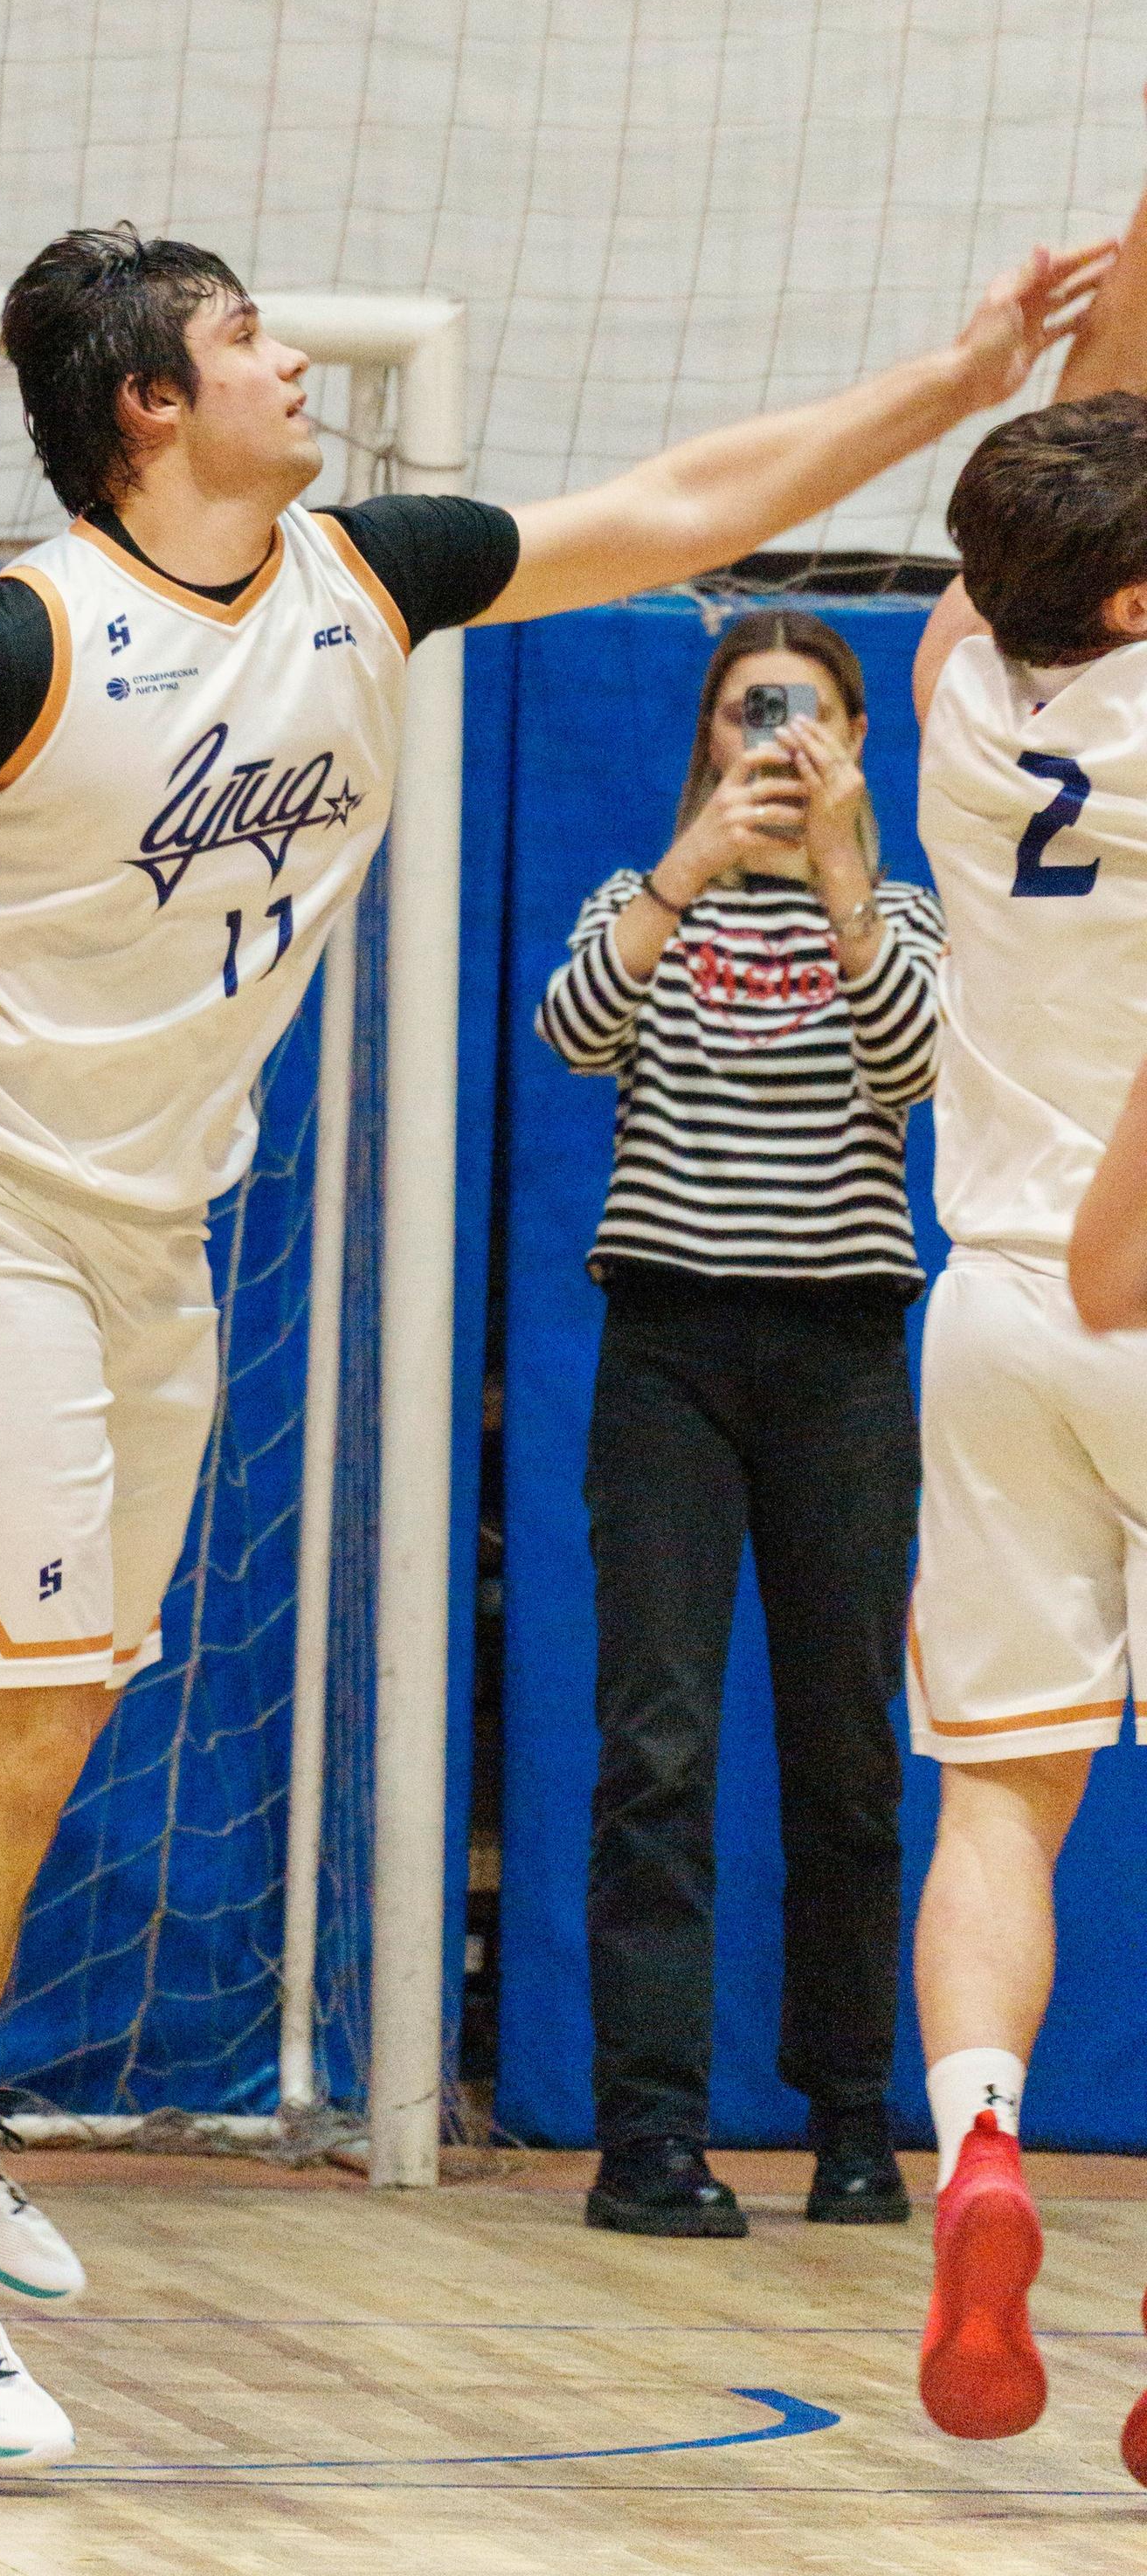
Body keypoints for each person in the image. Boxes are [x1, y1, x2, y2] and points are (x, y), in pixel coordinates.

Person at [0, 219, 1107, 2472]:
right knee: (3, 1718)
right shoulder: (7, 642)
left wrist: (956, 374)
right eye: (241, 337)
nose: (293, 356)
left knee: (71, 1692)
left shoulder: (362, 575)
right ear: (145, 404)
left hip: (155, 1229)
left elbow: (686, 507)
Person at [537, 610, 943, 2241]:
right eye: (744, 711)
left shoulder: (902, 914)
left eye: (806, 715)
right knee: (658, 1751)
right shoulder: (642, 906)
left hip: (843, 1354)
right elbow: (577, 1031)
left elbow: (914, 1064)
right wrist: (687, 868)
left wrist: (843, 870)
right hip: (672, 1351)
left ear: (856, 736)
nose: (772, 738)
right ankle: (648, 2137)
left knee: (846, 1756)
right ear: (704, 736)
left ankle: (853, 2118)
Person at [902, 157, 1147, 2471]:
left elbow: (1058, 492)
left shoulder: (958, 692)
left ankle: (977, 2140)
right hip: (1144, 1274)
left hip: (987, 1306)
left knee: (1001, 1799)